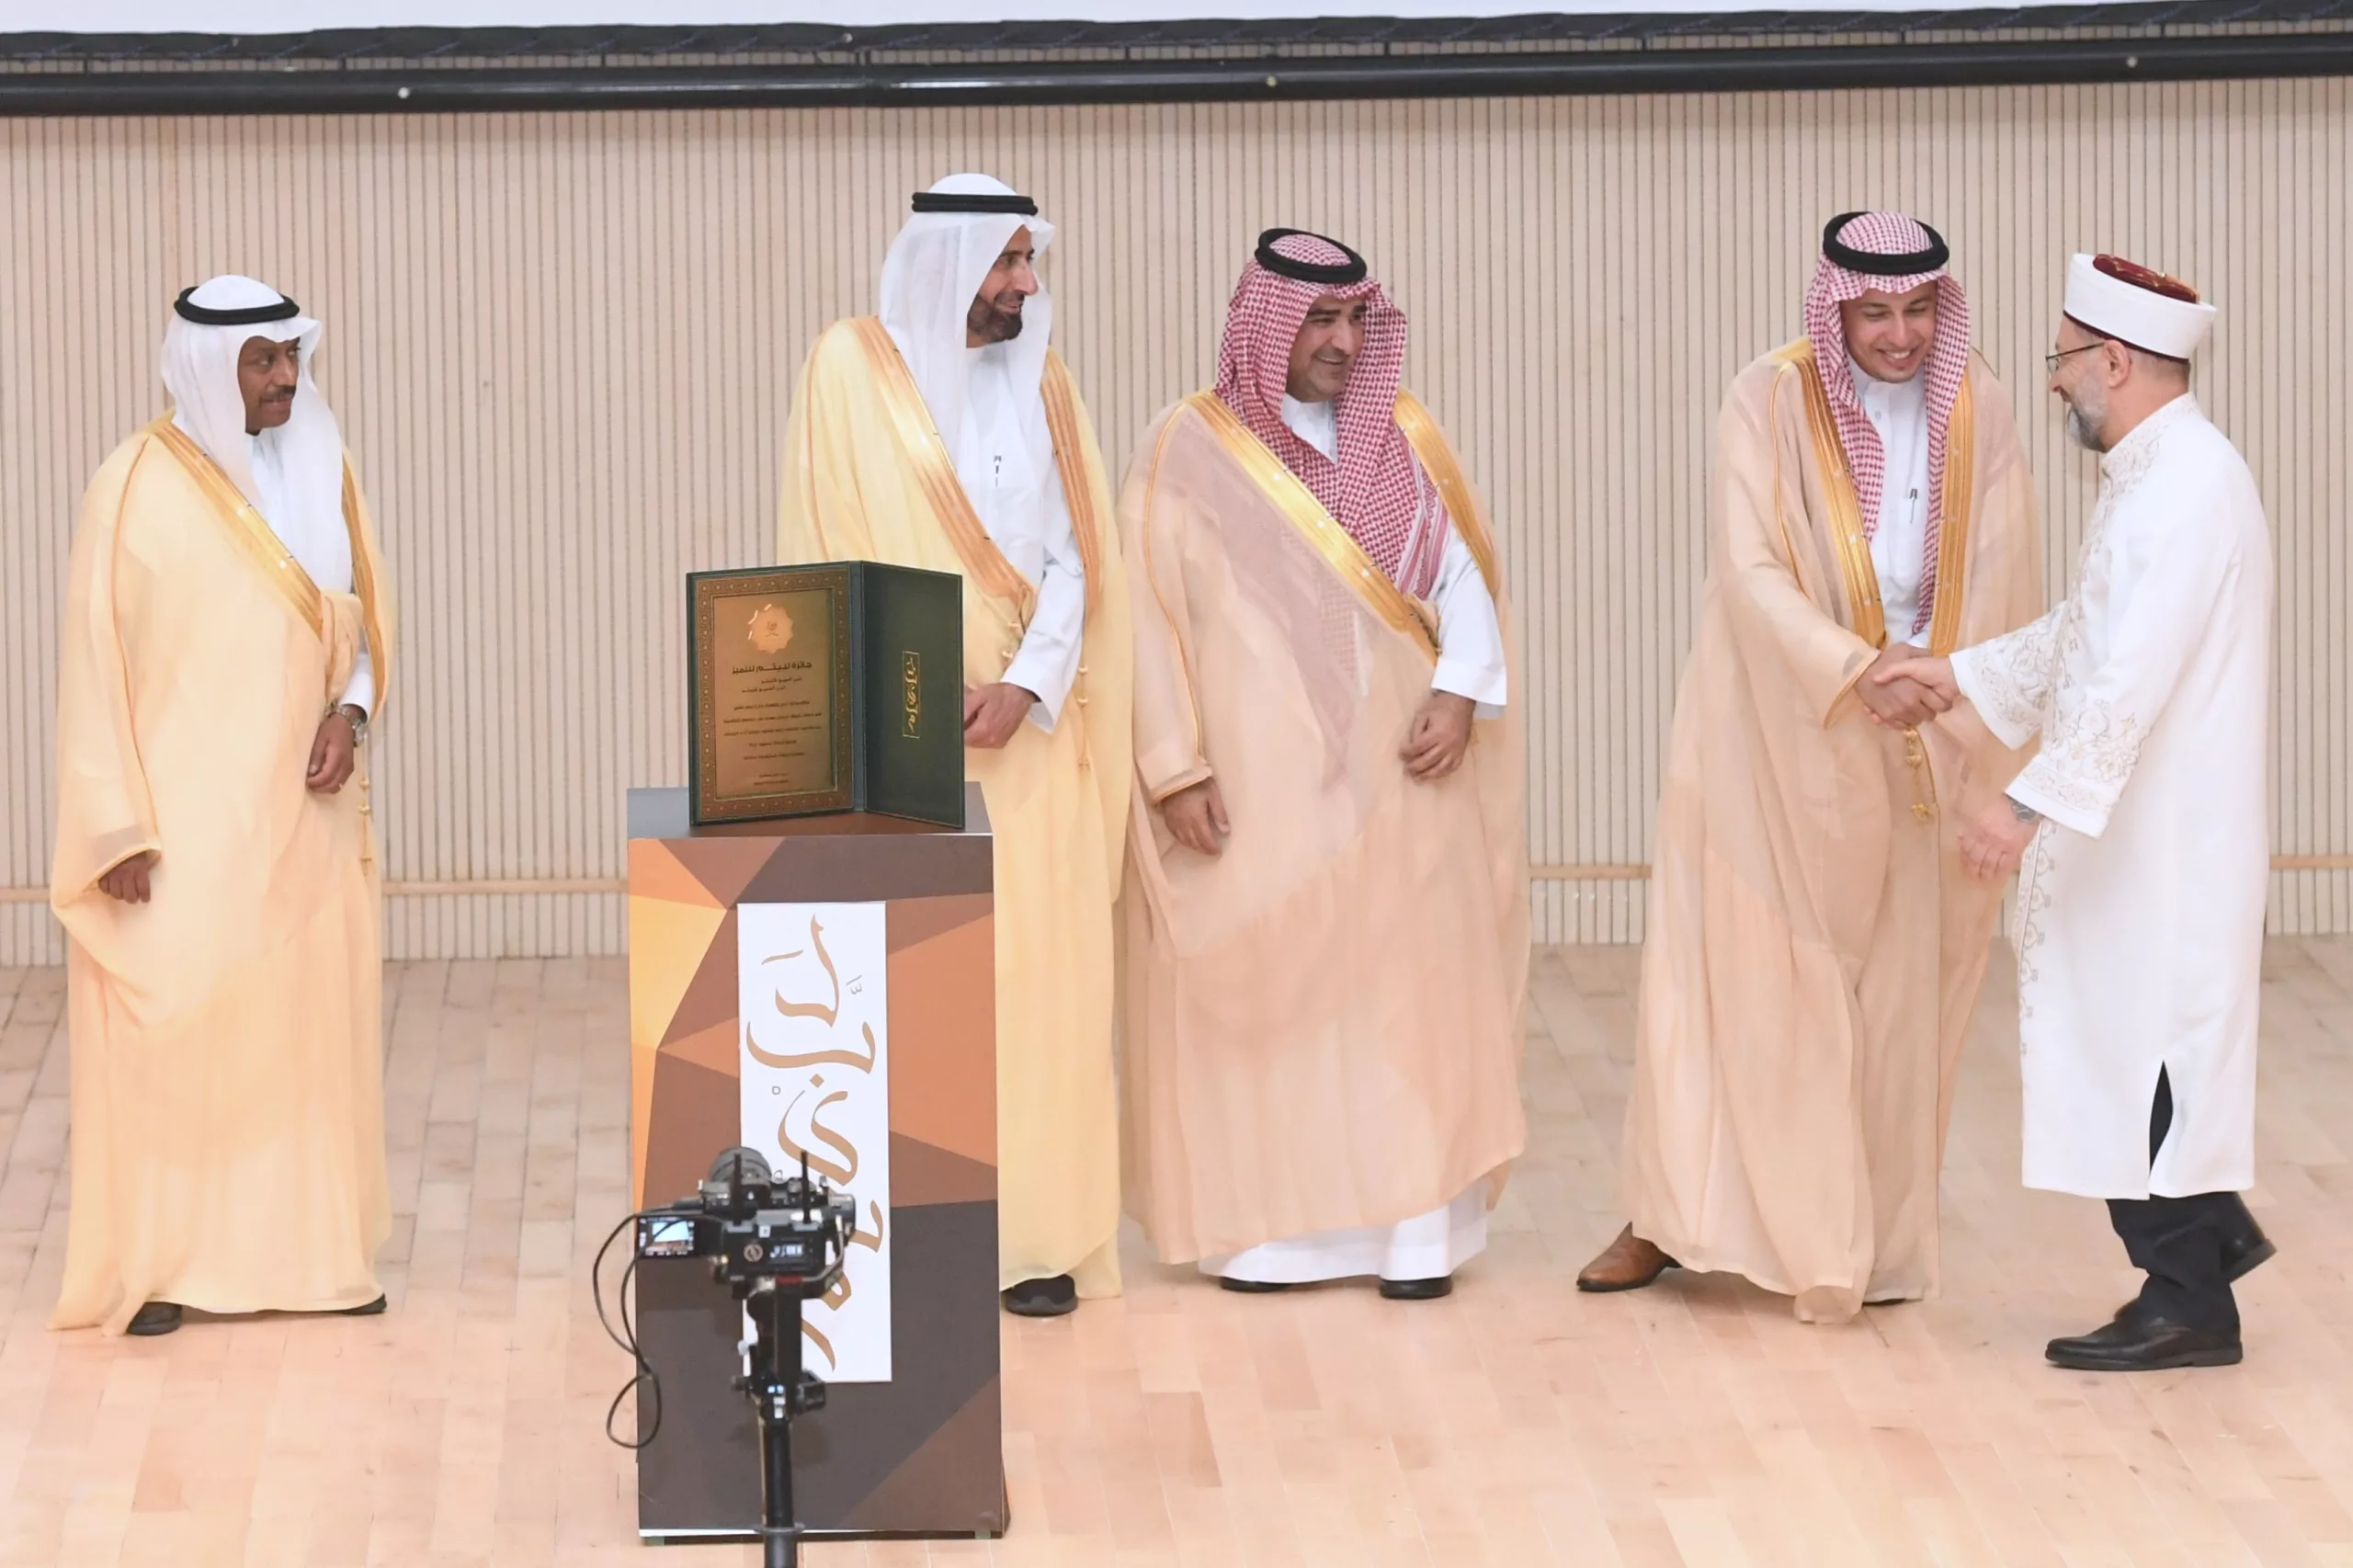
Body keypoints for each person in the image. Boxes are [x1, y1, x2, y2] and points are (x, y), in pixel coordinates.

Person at [1580, 212, 2044, 1322]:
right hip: (1775, 722)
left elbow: (2004, 561)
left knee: (1896, 998)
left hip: (1922, 727)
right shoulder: (1768, 396)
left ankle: (1859, 1235)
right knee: (1735, 973)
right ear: (1836, 310)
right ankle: (1675, 1215)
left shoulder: (1976, 401)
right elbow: (1748, 570)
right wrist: (1849, 665)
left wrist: (1945, 678)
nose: (1899, 335)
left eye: (1918, 310)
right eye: (1874, 313)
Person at [1878, 255, 2274, 1369]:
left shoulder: (2183, 488)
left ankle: (2189, 1300)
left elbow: (2127, 678)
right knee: (2126, 1044)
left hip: (2163, 843)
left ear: (2112, 359)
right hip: (2136, 834)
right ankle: (2211, 1235)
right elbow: (2085, 628)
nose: (2053, 381)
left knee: (2144, 1052)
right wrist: (1956, 671)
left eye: (2060, 360)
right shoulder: (2160, 476)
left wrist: (2019, 805)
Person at [1116, 229, 1528, 1301]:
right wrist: (1173, 767)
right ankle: (1273, 1237)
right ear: (1263, 324)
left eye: (1353, 320)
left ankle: (1412, 1233)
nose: (1341, 343)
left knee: (1408, 997)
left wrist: (1458, 692)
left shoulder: (1404, 436)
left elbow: (1464, 578)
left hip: (1405, 775)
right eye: (1315, 321)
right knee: (1272, 991)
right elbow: (1144, 619)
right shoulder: (1185, 446)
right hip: (1259, 792)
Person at [777, 174, 1133, 1318]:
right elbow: (826, 546)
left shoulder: (1048, 382)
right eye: (1008, 260)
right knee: (912, 986)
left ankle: (1033, 1240)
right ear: (948, 263)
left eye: (1031, 261)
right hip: (904, 743)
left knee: (1037, 991)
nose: (1026, 283)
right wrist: (910, 700)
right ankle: (905, 1239)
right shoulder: (848, 369)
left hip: (1026, 741)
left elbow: (1081, 557)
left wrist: (1028, 684)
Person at [51, 275, 396, 1337]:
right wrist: (115, 828)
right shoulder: (131, 486)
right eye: (262, 360)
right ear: (210, 369)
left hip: (302, 819)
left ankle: (315, 1260)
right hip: (181, 831)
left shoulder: (325, 466)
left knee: (303, 1033)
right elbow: (92, 667)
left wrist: (350, 713)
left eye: (291, 356)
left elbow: (359, 625)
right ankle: (163, 1268)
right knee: (177, 1034)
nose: (286, 376)